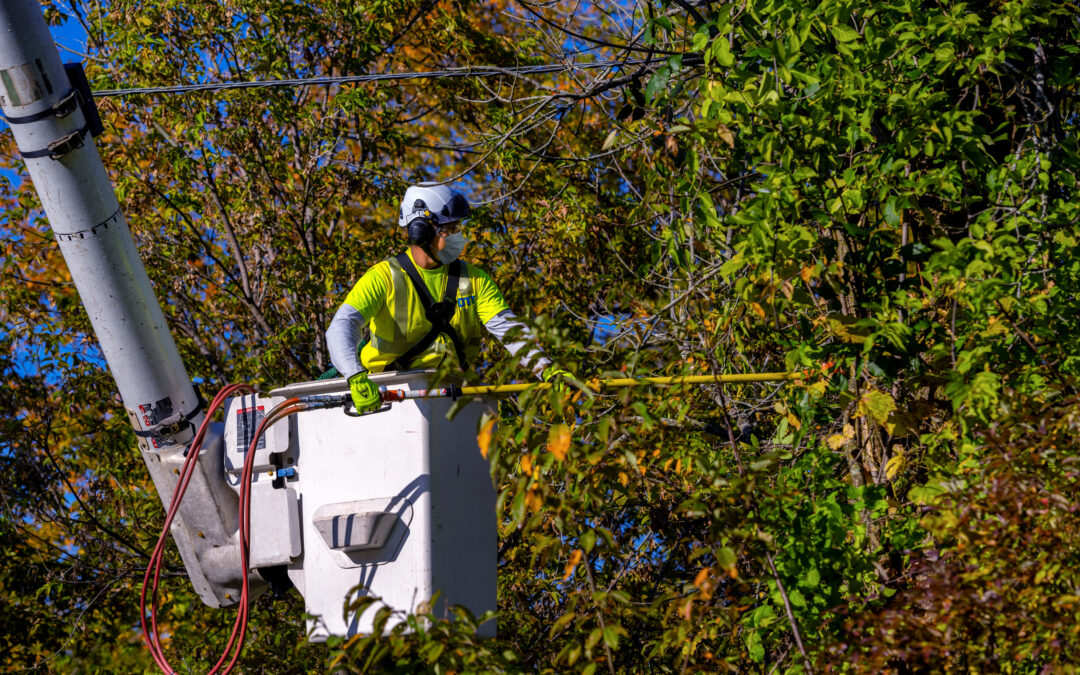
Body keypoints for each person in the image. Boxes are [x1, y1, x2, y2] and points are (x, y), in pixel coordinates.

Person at [326, 183, 566, 414]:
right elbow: (341, 327)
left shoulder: (474, 280)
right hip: (384, 394)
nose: (457, 236)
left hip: (448, 394)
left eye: (457, 228)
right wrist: (356, 377)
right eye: (449, 229)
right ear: (421, 231)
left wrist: (548, 369)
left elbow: (509, 330)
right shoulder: (383, 277)